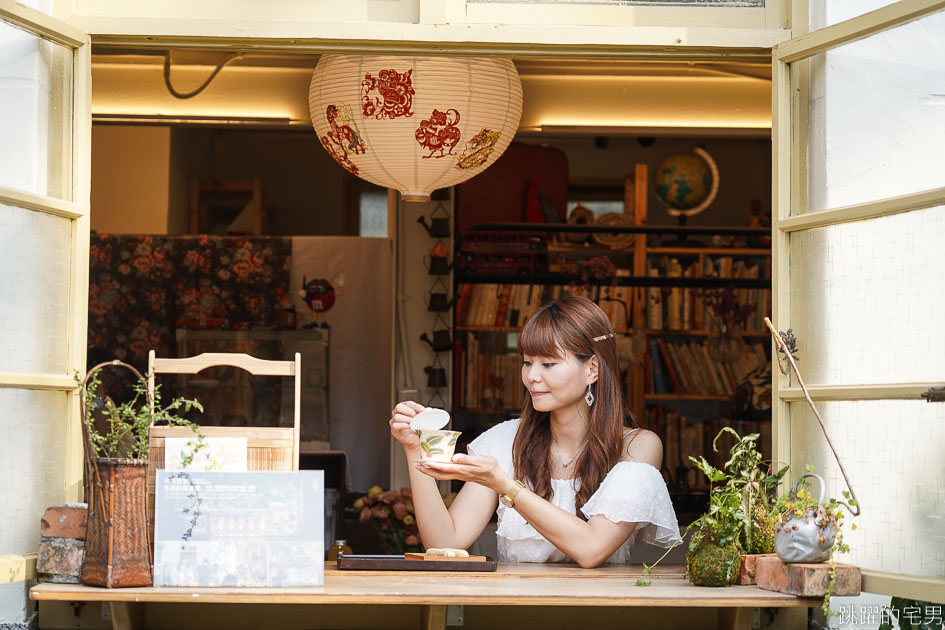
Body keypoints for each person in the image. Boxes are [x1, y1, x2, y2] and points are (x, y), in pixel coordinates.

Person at [389, 296, 681, 567]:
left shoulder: (636, 447)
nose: (531, 376)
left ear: (592, 369)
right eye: (527, 362)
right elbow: (444, 543)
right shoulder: (504, 441)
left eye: (548, 363)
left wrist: (506, 486)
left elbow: (592, 549)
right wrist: (414, 450)